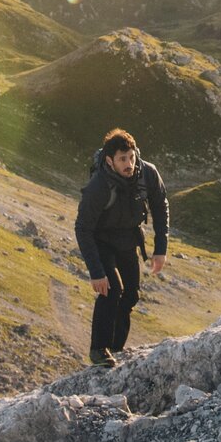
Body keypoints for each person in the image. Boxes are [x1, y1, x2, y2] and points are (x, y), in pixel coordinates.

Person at [73, 128, 168, 367]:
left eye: (131, 157)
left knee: (131, 294)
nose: (128, 164)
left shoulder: (148, 174)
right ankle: (98, 350)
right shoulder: (99, 186)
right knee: (111, 290)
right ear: (109, 160)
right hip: (101, 239)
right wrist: (96, 272)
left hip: (128, 238)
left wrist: (160, 248)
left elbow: (160, 206)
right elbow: (83, 228)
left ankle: (116, 347)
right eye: (122, 159)